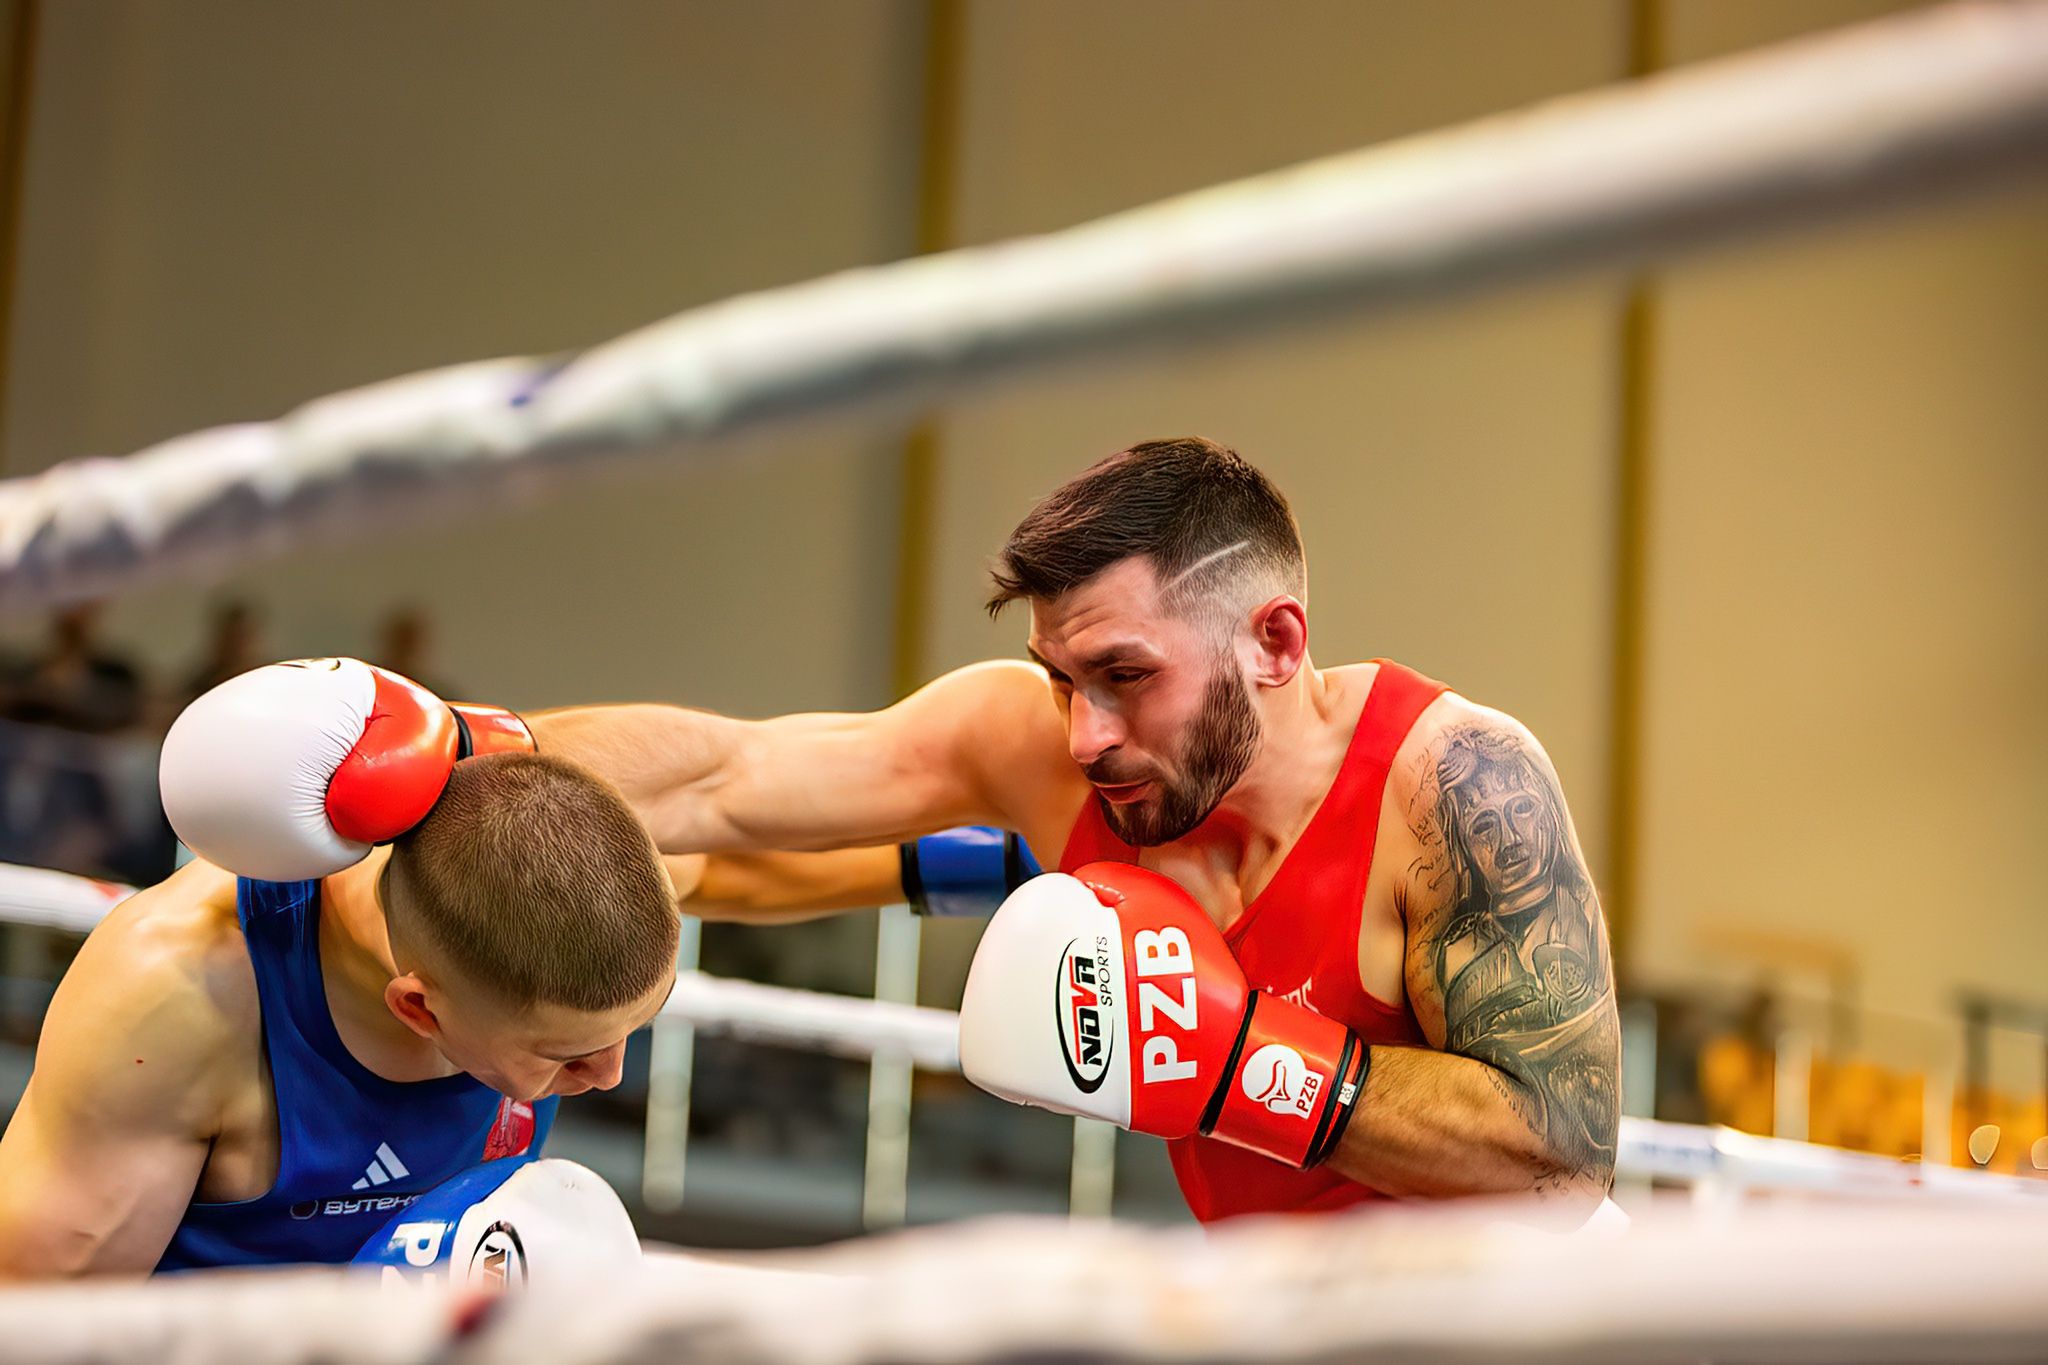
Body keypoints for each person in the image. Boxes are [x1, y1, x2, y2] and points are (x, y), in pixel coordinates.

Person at [526, 436, 1619, 1220]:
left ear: (1274, 645)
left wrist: (1234, 1058)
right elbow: (724, 785)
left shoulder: (1453, 785)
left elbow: (1560, 1157)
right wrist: (458, 753)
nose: (1084, 735)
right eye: (1059, 680)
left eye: (1124, 677)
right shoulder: (1038, 757)